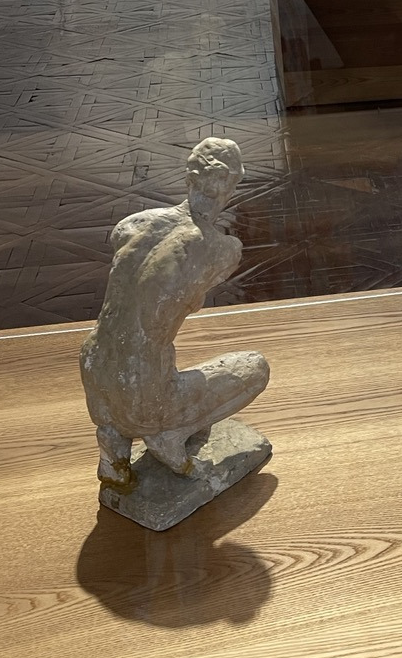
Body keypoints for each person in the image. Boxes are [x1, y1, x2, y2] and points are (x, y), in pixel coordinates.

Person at [81, 137, 270, 489]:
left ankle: (114, 448)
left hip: (95, 368)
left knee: (132, 371)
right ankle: (169, 436)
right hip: (144, 387)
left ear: (189, 176)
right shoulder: (223, 250)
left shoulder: (133, 224)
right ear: (232, 183)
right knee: (255, 368)